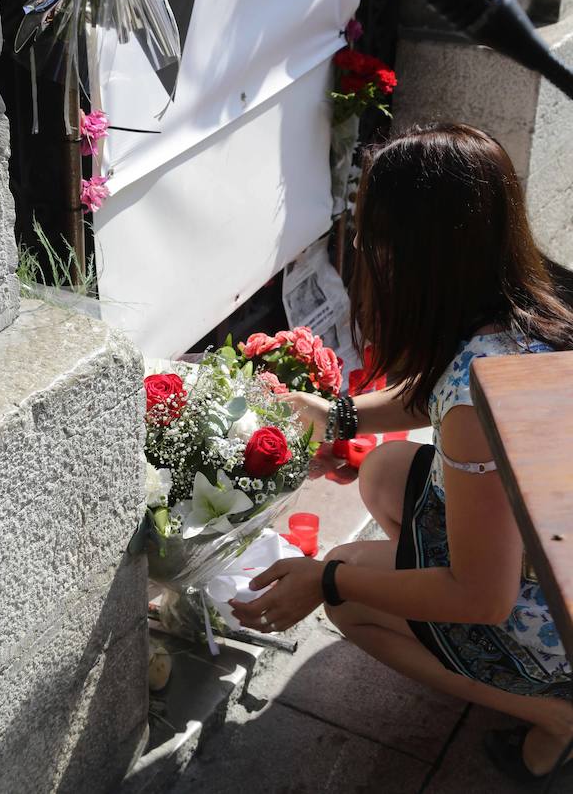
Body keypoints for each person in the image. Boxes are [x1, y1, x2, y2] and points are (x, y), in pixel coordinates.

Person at [229, 124, 573, 785]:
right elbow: (434, 391)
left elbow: (483, 596)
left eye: (375, 237)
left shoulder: (477, 407)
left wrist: (323, 581)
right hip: (548, 560)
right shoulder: (529, 305)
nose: (366, 250)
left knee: (349, 598)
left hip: (548, 620)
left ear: (415, 254)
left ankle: (552, 712)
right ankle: (437, 615)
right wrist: (338, 417)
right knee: (385, 471)